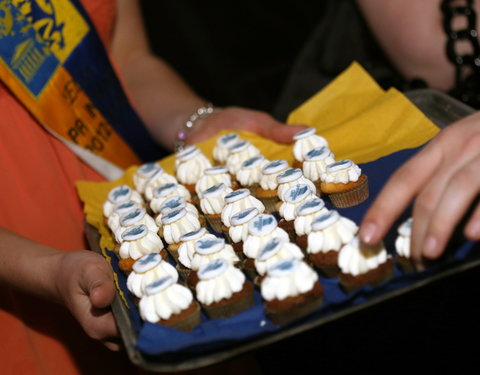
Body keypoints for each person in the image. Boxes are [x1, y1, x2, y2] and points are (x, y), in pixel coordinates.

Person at [0, 0, 304, 374]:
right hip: (19, 270)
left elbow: (127, 62)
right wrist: (48, 272)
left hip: (137, 206)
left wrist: (195, 123)